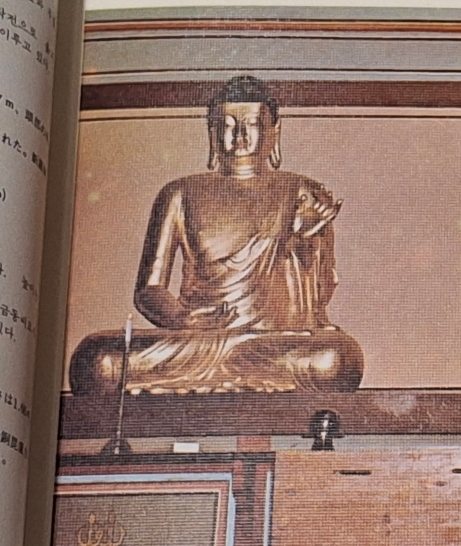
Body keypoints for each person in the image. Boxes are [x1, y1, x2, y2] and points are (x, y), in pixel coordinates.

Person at [70, 75, 364, 395]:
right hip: (196, 341)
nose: (240, 135)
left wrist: (305, 243)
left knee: (334, 359)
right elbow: (149, 290)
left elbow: (320, 296)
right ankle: (232, 373)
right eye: (227, 125)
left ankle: (223, 373)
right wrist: (183, 318)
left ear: (274, 131)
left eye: (252, 124)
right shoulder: (178, 193)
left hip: (270, 342)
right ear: (212, 132)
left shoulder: (300, 191)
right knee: (97, 360)